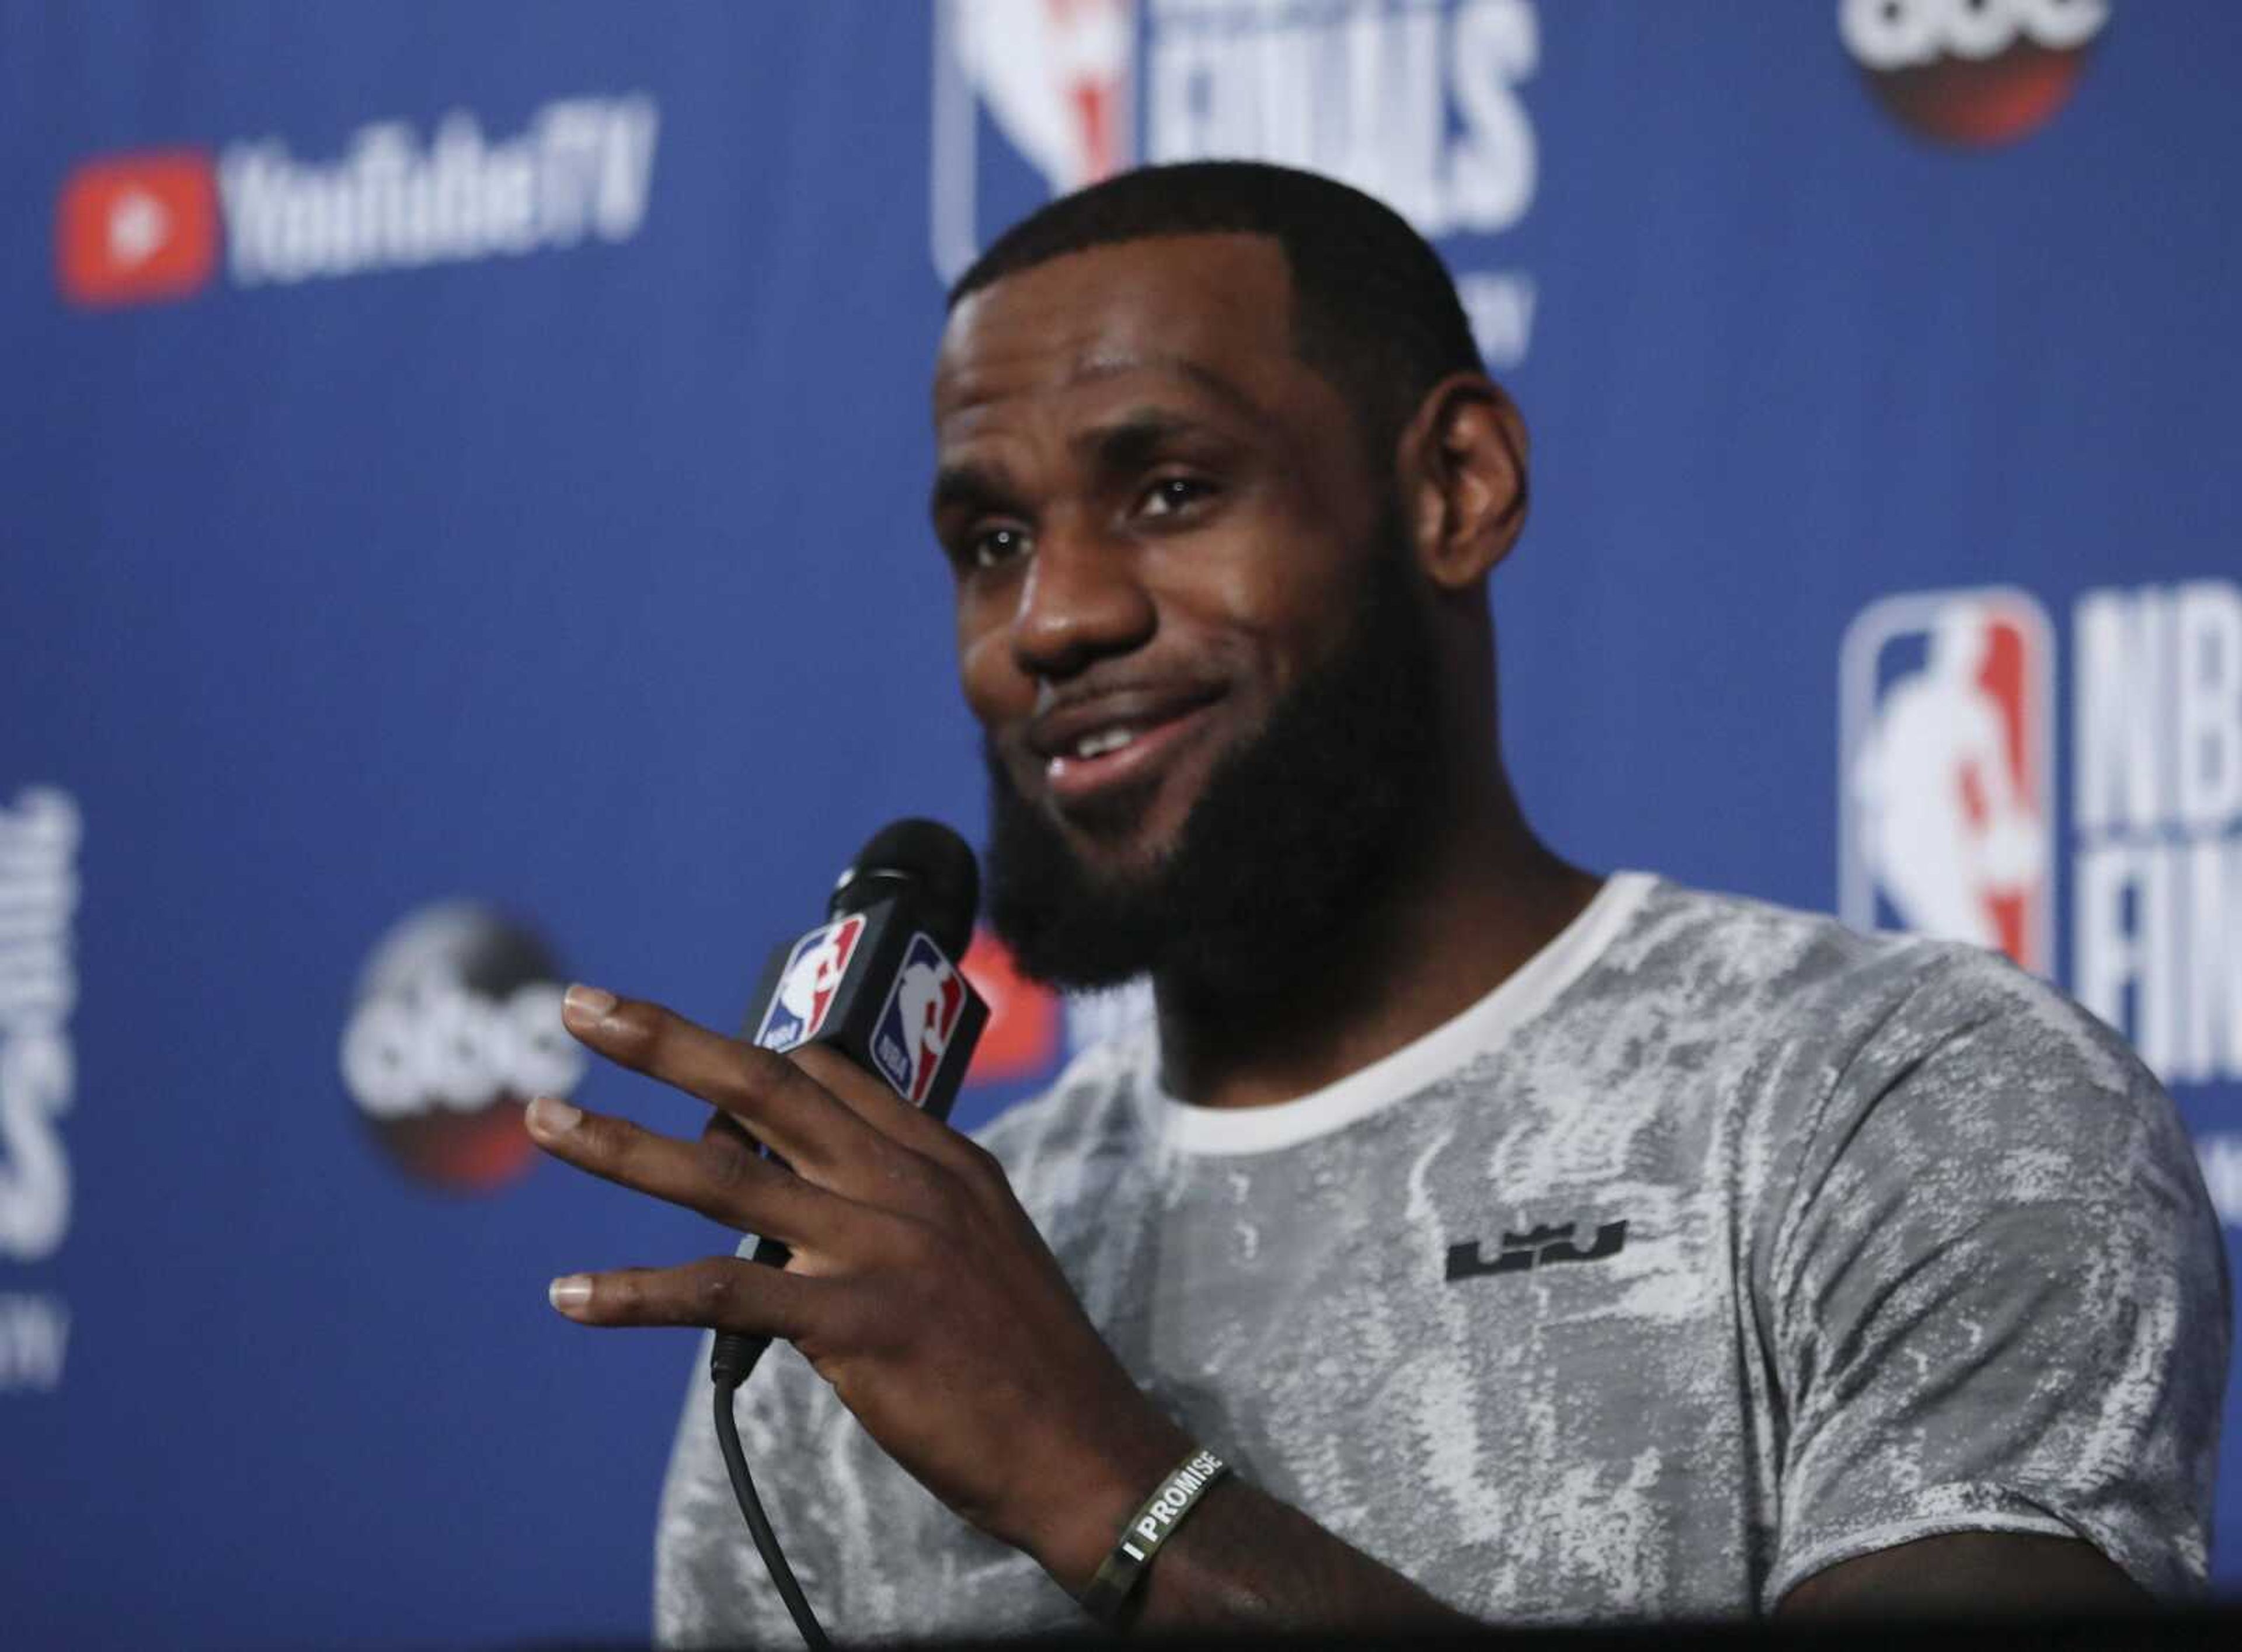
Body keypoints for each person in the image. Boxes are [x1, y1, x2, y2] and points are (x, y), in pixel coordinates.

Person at [523, 162, 2229, 1640]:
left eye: (1172, 490)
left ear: (1455, 489)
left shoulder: (1900, 1103)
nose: (1051, 620)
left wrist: (1104, 1480)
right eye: (990, 542)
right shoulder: (873, 1275)